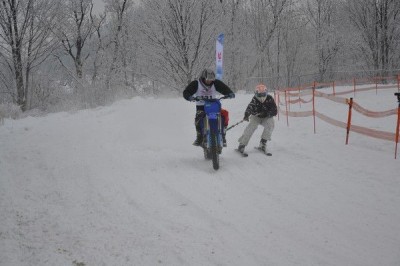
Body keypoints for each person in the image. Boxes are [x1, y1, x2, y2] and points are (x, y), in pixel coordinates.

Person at [183, 68, 235, 146]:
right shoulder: (196, 83)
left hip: (213, 106)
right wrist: (190, 97)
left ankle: (223, 133)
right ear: (203, 78)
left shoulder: (215, 83)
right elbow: (186, 92)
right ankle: (199, 137)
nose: (210, 81)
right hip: (201, 107)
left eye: (211, 79)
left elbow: (224, 88)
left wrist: (230, 93)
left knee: (224, 114)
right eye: (208, 79)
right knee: (198, 118)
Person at [237, 84, 277, 154]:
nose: (261, 96)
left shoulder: (269, 98)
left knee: (271, 124)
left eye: (263, 94)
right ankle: (242, 144)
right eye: (260, 94)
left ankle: (263, 143)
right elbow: (250, 107)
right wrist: (246, 115)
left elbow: (274, 110)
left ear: (266, 92)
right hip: (256, 117)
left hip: (266, 117)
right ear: (256, 93)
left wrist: (267, 113)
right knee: (251, 127)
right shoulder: (254, 99)